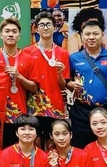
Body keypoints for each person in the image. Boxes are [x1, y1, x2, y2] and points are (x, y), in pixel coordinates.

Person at [66, 20, 107, 149]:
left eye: (95, 33)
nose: (91, 37)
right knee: (80, 148)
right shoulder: (74, 58)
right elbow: (67, 82)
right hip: (81, 111)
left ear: (102, 35)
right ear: (82, 36)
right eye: (87, 34)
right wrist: (72, 84)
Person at [0, 17, 40, 148]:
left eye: (14, 31)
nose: (10, 34)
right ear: (1, 35)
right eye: (7, 31)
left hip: (19, 115)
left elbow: (34, 88)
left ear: (19, 35)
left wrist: (19, 76)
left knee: (16, 151)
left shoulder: (29, 59)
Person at [23, 12, 70, 150]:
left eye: (49, 24)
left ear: (55, 28)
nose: (45, 27)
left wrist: (60, 73)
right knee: (34, 141)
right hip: (33, 104)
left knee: (52, 143)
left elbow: (63, 85)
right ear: (36, 29)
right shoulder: (27, 52)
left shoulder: (63, 53)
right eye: (41, 25)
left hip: (55, 104)